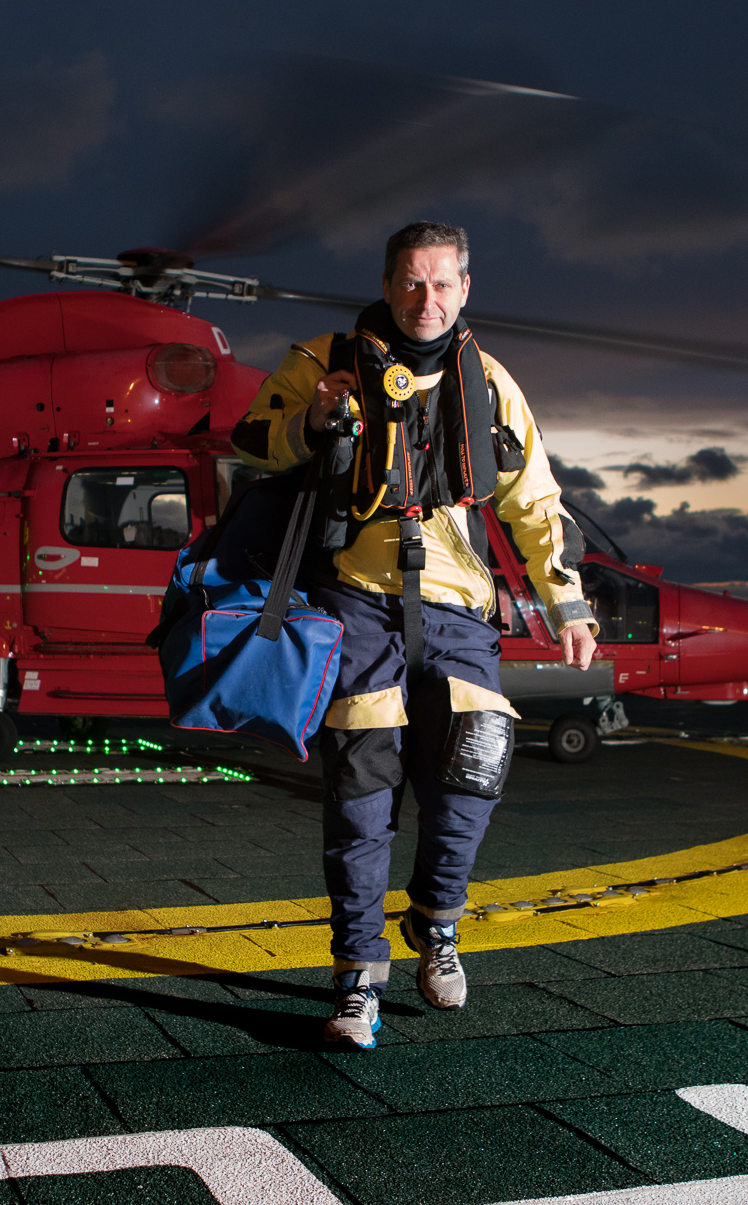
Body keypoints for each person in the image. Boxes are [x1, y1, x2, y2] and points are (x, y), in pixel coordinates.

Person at [231, 221, 597, 1048]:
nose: (425, 299)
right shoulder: (320, 362)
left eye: (441, 283)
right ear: (388, 282)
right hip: (354, 598)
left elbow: (535, 502)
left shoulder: (491, 383)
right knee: (362, 796)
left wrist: (568, 604)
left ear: (464, 288)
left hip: (458, 603)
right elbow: (251, 443)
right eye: (410, 281)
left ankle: (436, 921)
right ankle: (357, 977)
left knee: (479, 759)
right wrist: (315, 425)